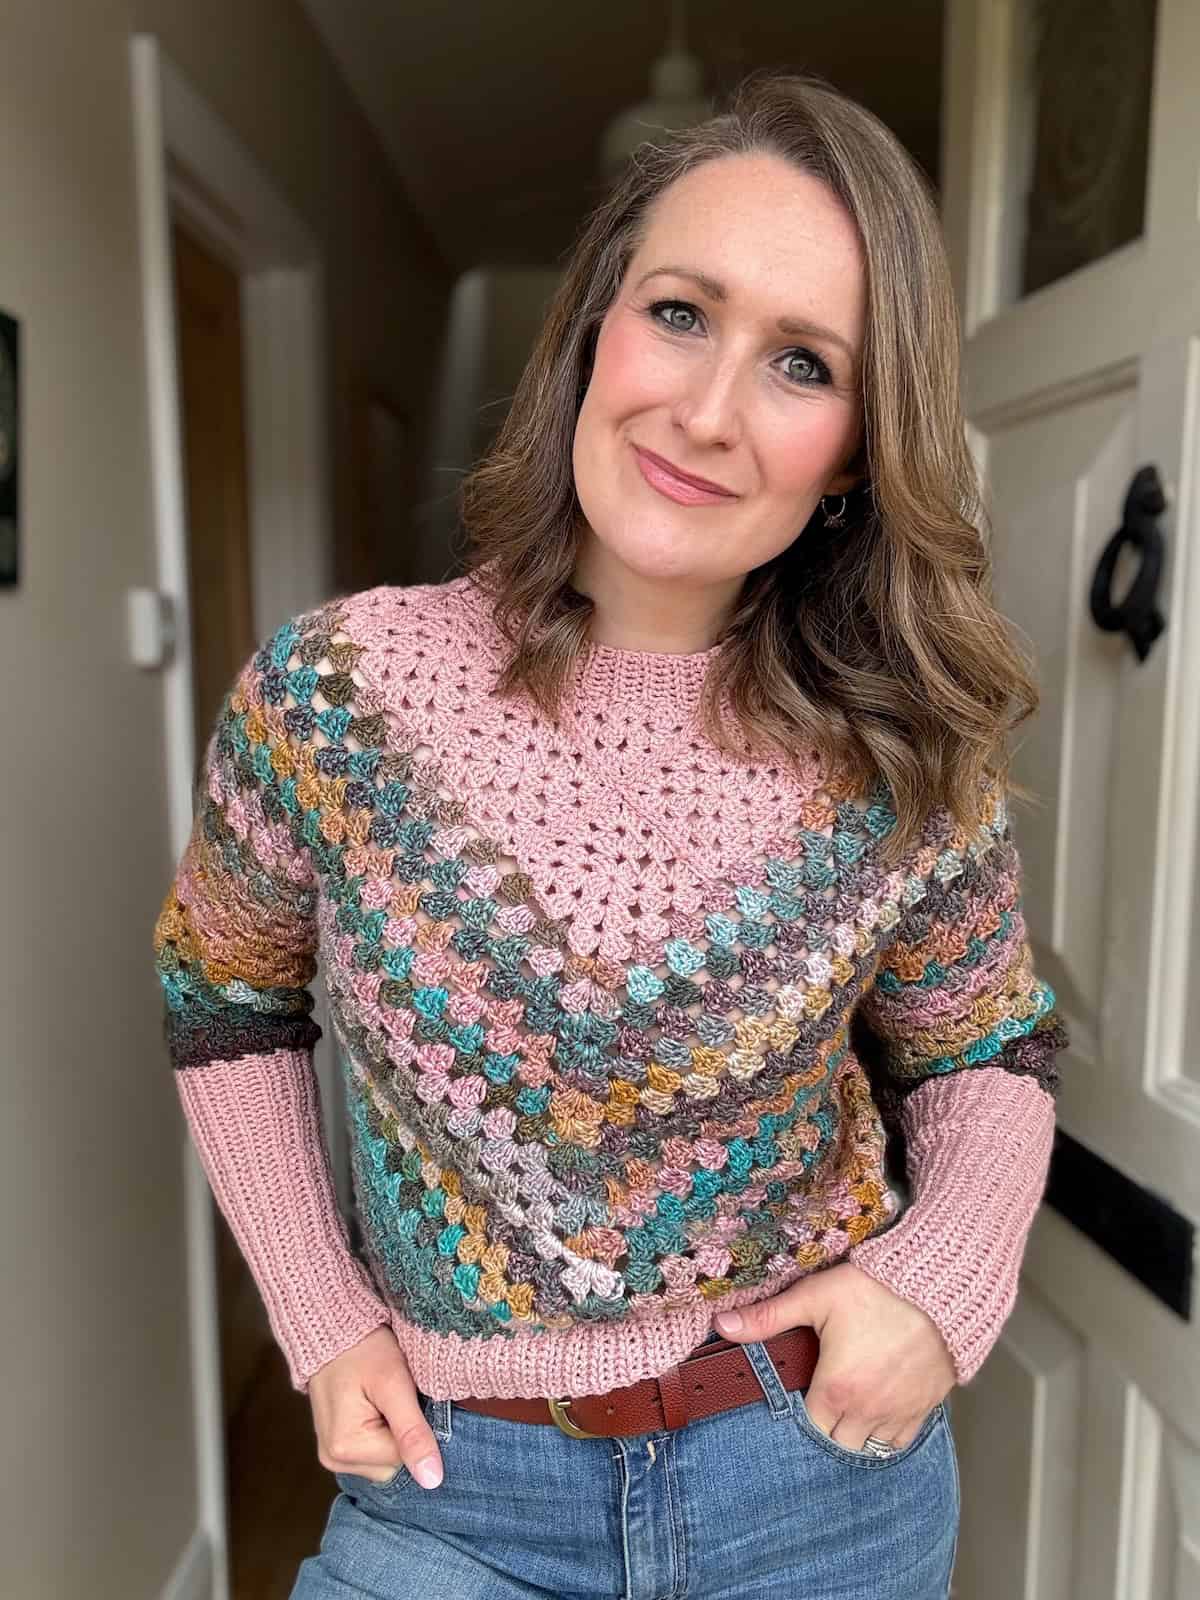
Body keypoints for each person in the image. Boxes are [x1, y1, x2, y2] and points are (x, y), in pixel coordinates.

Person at [153, 68, 1069, 1600]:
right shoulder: (338, 697)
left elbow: (991, 1049)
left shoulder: (901, 747)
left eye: (802, 364)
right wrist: (317, 1312)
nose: (708, 413)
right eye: (682, 313)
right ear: (595, 327)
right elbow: (224, 1005)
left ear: (857, 449)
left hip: (814, 1487)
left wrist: (941, 1284)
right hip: (450, 1489)